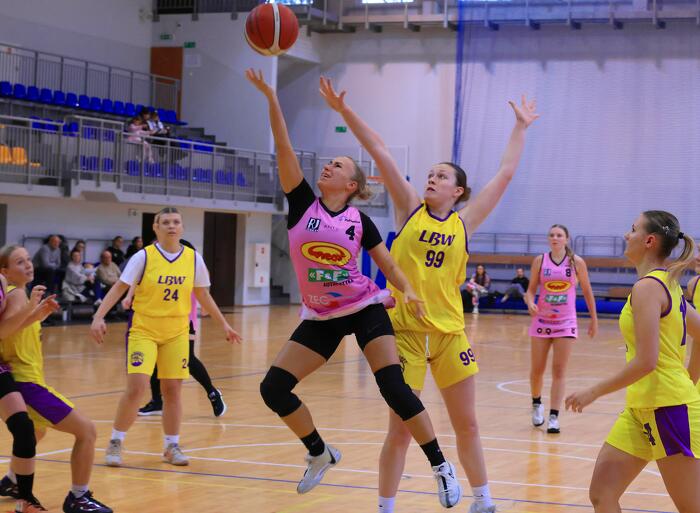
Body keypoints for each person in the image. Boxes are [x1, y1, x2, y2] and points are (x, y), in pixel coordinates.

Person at [319, 76, 539, 513]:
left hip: (449, 333)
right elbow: (380, 150)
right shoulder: (409, 208)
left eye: (442, 176)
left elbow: (505, 173)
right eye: (430, 174)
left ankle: (483, 500)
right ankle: (386, 507)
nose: (432, 179)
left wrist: (520, 127)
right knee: (401, 429)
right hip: (403, 331)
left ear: (458, 191)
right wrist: (345, 112)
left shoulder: (464, 222)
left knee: (467, 423)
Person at [248, 69, 463, 508]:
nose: (328, 165)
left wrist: (409, 290)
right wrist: (271, 95)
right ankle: (319, 452)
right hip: (322, 315)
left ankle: (440, 465)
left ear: (351, 186)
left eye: (339, 165)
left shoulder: (359, 221)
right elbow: (284, 146)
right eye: (328, 162)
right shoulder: (302, 204)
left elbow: (387, 264)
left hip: (364, 306)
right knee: (273, 388)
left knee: (394, 387)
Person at [566, 211, 700, 513]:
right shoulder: (665, 283)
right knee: (602, 494)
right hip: (641, 408)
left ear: (649, 240)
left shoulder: (649, 287)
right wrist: (690, 381)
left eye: (633, 229)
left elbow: (646, 361)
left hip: (669, 409)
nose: (627, 235)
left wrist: (593, 391)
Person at [90, 207, 241, 467]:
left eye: (176, 222)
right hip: (144, 330)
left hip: (177, 333)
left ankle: (171, 446)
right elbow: (120, 287)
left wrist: (224, 325)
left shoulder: (194, 259)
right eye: (166, 222)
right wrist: (98, 316)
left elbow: (203, 295)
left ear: (182, 227)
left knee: (172, 391)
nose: (172, 226)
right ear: (156, 228)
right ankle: (116, 441)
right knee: (137, 388)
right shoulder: (143, 256)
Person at [0, 245, 112, 513]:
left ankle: (13, 481)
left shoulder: (20, 295)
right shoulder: (17, 295)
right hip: (26, 383)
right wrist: (31, 308)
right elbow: (3, 331)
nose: (28, 264)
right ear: (5, 271)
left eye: (28, 259)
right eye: (19, 262)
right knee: (87, 431)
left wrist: (36, 314)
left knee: (36, 432)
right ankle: (78, 497)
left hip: (28, 378)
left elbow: (14, 330)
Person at [124, 239, 227, 418]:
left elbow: (204, 292)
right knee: (154, 360)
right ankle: (157, 401)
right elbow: (136, 280)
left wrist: (211, 312)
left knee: (189, 359)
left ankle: (212, 392)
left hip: (184, 320)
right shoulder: (153, 263)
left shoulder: (191, 264)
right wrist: (129, 296)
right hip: (157, 322)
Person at [523, 224, 598, 434]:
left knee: (559, 370)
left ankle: (554, 416)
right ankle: (536, 403)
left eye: (559, 235)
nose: (555, 238)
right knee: (537, 370)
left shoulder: (576, 262)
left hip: (566, 322)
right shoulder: (540, 261)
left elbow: (587, 291)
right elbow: (530, 291)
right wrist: (530, 302)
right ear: (548, 239)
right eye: (552, 235)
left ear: (566, 239)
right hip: (542, 320)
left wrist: (594, 319)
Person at [0, 273, 52, 513]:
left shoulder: (2, 282)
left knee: (24, 427)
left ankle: (25, 499)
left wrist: (35, 313)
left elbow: (5, 327)